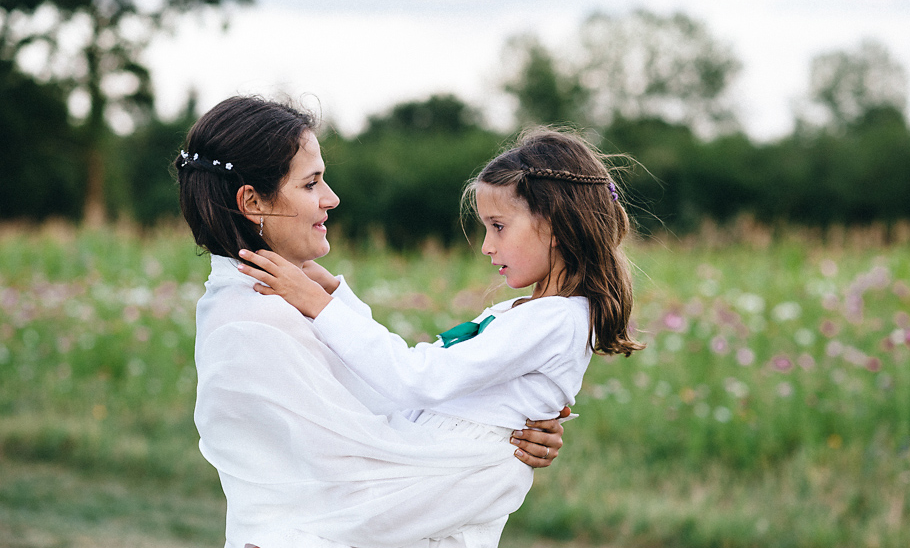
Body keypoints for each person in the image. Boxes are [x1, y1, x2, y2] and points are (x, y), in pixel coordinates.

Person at [176, 96, 567, 548]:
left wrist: (509, 412)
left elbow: (386, 400)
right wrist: (499, 452)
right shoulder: (252, 322)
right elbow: (361, 487)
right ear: (252, 201)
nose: (331, 198)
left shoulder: (287, 299)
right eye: (311, 184)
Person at [238, 128, 645, 545]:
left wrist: (319, 304)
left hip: (455, 467)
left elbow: (418, 377)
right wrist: (335, 295)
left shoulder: (555, 320)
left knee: (318, 527)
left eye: (498, 227)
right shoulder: (527, 312)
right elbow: (427, 363)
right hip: (443, 456)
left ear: (556, 225)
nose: (486, 246)